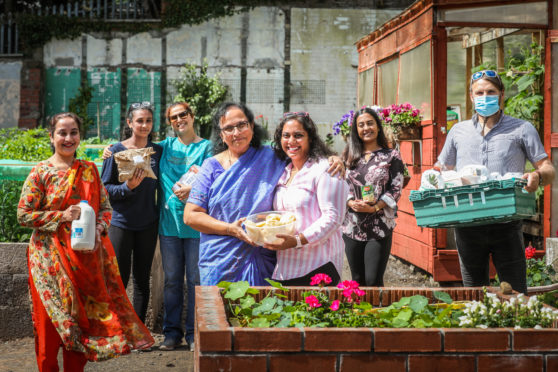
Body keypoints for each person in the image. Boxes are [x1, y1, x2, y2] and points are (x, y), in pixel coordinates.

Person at [17, 112, 153, 372]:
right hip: (48, 263)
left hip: (84, 261)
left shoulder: (89, 170)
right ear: (51, 136)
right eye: (62, 133)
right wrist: (62, 216)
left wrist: (100, 226)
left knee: (79, 332)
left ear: (80, 136)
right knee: (48, 332)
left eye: (74, 133)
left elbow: (105, 207)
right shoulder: (40, 173)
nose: (68, 138)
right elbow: (23, 214)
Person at [184, 102, 343, 286]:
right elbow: (191, 216)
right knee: (219, 312)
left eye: (242, 125)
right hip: (220, 258)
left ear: (252, 126)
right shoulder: (210, 167)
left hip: (262, 257)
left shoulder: (272, 156)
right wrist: (231, 229)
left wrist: (332, 157)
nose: (236, 133)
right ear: (221, 134)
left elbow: (302, 151)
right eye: (228, 128)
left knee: (263, 311)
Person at [437, 70, 556, 294]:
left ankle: (515, 329)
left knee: (515, 292)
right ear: (471, 97)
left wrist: (537, 176)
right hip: (467, 224)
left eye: (490, 92)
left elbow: (548, 167)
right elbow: (441, 169)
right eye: (479, 92)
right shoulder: (457, 132)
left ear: (501, 95)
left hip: (507, 224)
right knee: (474, 294)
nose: (484, 97)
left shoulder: (522, 129)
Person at [263, 112, 349, 286]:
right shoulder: (283, 171)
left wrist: (296, 241)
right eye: (286, 136)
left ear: (311, 139)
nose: (291, 141)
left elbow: (333, 218)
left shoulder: (326, 169)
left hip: (318, 266)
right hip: (285, 268)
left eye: (298, 135)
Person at [101, 102, 163, 323]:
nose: (144, 125)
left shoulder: (158, 151)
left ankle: (137, 331)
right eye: (139, 120)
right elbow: (104, 188)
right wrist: (128, 188)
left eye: (148, 120)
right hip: (121, 223)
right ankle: (118, 328)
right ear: (130, 123)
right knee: (119, 279)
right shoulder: (116, 151)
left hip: (148, 223)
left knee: (142, 280)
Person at [157, 102, 212, 351]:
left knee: (195, 280)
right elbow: (135, 149)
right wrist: (109, 151)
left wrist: (195, 188)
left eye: (183, 115)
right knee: (171, 281)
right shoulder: (165, 147)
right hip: (169, 225)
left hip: (196, 224)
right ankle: (171, 333)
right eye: (174, 117)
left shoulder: (207, 147)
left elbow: (217, 176)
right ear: (170, 122)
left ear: (192, 116)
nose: (179, 120)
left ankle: (193, 333)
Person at [341, 107, 405, 286]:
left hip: (379, 225)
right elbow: (340, 185)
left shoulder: (391, 156)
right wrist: (350, 201)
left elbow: (396, 187)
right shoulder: (348, 155)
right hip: (351, 226)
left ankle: (378, 313)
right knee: (357, 280)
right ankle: (359, 314)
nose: (366, 128)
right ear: (356, 130)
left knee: (373, 280)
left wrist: (375, 207)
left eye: (370, 123)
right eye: (361, 125)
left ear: (378, 126)